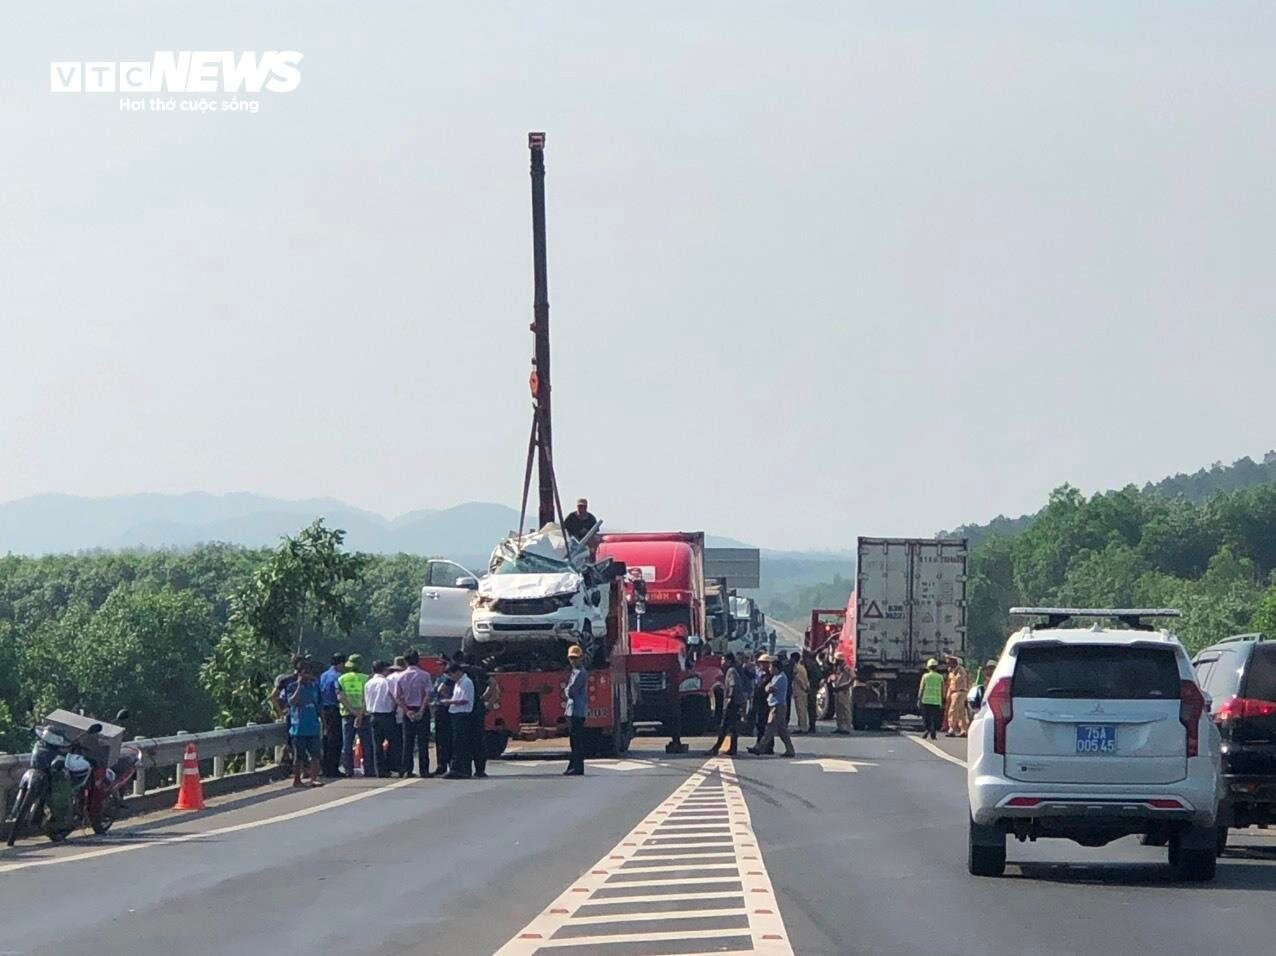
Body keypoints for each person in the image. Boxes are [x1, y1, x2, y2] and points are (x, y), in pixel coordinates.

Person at [393, 650, 434, 778]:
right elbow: (428, 694)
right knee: (423, 742)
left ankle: (407, 770)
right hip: (422, 709)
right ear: (418, 660)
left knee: (408, 742)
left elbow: (397, 697)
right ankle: (424, 770)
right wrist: (421, 710)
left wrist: (406, 711)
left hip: (408, 709)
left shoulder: (400, 676)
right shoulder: (425, 675)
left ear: (405, 661)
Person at [747, 655, 796, 757]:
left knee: (769, 728)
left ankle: (759, 748)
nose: (769, 669)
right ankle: (790, 750)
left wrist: (768, 687)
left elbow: (768, 689)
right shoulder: (775, 677)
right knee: (782, 731)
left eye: (771, 667)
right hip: (775, 705)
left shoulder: (781, 678)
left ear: (775, 668)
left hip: (777, 706)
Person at [287, 660, 323, 788]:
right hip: (298, 728)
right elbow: (292, 702)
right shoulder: (292, 687)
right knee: (299, 757)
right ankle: (297, 780)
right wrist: (299, 685)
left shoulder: (314, 686)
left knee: (315, 755)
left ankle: (313, 779)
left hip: (313, 726)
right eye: (305, 672)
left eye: (309, 672)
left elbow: (319, 706)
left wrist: (324, 724)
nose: (308, 675)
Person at [338, 654, 373, 777]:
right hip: (364, 715)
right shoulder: (366, 678)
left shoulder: (341, 679)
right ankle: (369, 770)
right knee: (366, 743)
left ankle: (349, 770)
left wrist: (353, 711)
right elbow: (367, 698)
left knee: (347, 744)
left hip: (347, 714)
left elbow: (340, 697)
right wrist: (360, 713)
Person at [363, 661, 400, 777]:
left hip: (373, 715)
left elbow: (365, 700)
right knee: (393, 742)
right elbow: (395, 697)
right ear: (384, 669)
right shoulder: (387, 682)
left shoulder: (368, 683)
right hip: (387, 715)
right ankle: (391, 766)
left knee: (377, 744)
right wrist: (395, 708)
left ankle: (380, 770)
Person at [441, 661, 475, 779]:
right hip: (456, 714)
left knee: (461, 743)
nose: (451, 678)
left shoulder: (466, 682)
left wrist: (449, 702)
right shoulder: (458, 683)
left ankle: (461, 769)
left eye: (451, 675)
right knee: (457, 742)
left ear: (457, 672)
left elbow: (465, 700)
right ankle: (457, 768)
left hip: (462, 715)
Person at [707, 653, 744, 756]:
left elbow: (733, 685)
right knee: (733, 727)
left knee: (724, 726)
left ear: (729, 661)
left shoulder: (731, 671)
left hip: (732, 703)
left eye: (723, 660)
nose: (722, 662)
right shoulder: (732, 670)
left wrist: (729, 698)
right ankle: (733, 748)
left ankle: (716, 748)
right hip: (737, 702)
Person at [461, 653, 490, 778]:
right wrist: (484, 698)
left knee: (464, 740)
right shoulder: (480, 671)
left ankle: (466, 769)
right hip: (478, 707)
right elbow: (492, 684)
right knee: (479, 740)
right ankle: (480, 770)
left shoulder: (461, 671)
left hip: (464, 708)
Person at [318, 653, 346, 778]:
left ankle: (325, 767)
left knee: (326, 739)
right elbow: (338, 694)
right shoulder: (337, 677)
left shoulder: (323, 675)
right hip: (333, 709)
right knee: (335, 740)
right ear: (340, 663)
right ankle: (332, 768)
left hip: (323, 709)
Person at [564, 644, 588, 776]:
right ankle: (573, 766)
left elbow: (570, 691)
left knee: (576, 741)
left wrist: (566, 690)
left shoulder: (579, 673)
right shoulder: (575, 672)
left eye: (575, 658)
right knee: (574, 741)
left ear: (581, 658)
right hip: (573, 710)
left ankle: (577, 767)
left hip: (576, 711)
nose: (573, 661)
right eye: (571, 658)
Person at [433, 663, 456, 777]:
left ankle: (450, 764)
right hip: (440, 708)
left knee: (449, 738)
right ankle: (441, 765)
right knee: (440, 739)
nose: (438, 667)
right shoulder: (440, 677)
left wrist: (445, 694)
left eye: (441, 664)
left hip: (448, 709)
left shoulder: (449, 679)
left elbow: (442, 690)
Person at [917, 658, 945, 740]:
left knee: (926, 717)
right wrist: (943, 700)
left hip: (926, 700)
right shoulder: (940, 677)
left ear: (928, 667)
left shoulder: (925, 676)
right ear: (936, 667)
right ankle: (933, 731)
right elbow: (942, 690)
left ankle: (927, 729)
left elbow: (921, 688)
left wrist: (919, 699)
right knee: (935, 718)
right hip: (936, 701)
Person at [944, 656, 971, 738]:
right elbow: (950, 684)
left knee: (953, 710)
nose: (948, 663)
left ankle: (952, 729)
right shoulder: (952, 671)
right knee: (960, 712)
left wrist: (952, 674)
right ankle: (963, 730)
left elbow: (956, 681)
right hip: (955, 692)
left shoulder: (960, 670)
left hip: (959, 691)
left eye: (950, 662)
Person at [751, 653, 771, 752]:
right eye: (760, 663)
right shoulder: (761, 674)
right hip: (759, 702)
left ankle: (764, 746)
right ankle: (760, 745)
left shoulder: (770, 676)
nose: (761, 665)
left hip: (766, 703)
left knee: (764, 725)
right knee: (760, 724)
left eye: (763, 663)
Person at [832, 659, 854, 734]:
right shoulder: (838, 668)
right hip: (837, 690)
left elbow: (853, 677)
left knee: (846, 709)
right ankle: (840, 727)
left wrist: (848, 685)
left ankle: (847, 728)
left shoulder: (847, 668)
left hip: (844, 690)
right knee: (838, 710)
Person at [804, 651, 823, 734]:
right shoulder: (814, 665)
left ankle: (812, 726)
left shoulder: (813, 666)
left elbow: (818, 677)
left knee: (811, 707)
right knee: (810, 708)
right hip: (812, 688)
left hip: (812, 688)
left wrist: (810, 685)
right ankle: (811, 725)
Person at [792, 652, 811, 734]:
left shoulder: (796, 668)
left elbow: (798, 679)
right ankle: (803, 726)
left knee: (800, 710)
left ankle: (802, 727)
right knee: (803, 709)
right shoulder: (802, 667)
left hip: (799, 691)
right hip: (803, 691)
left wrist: (803, 687)